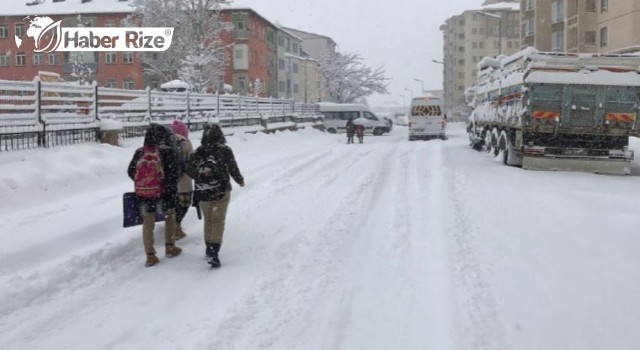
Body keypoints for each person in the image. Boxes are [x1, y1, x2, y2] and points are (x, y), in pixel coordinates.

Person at [187, 124, 245, 268]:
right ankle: (214, 252)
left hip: (203, 191)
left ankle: (208, 248)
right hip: (220, 190)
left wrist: (201, 177)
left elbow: (189, 169)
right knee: (218, 221)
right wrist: (240, 180)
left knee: (208, 220)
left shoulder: (199, 151)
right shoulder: (224, 150)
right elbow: (232, 167)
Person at [127, 123, 182, 267]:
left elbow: (130, 171)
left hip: (144, 194)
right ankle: (170, 247)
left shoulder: (140, 152)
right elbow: (174, 174)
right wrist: (166, 188)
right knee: (170, 216)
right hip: (164, 193)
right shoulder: (168, 152)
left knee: (148, 221)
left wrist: (145, 182)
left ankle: (150, 256)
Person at [171, 120, 194, 240]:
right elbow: (192, 160)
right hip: (184, 181)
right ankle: (176, 226)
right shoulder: (186, 142)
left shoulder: (166, 142)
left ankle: (173, 226)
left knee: (173, 206)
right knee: (184, 204)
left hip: (170, 181)